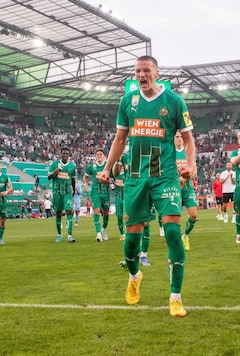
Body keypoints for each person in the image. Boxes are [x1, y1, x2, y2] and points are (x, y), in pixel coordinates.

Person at [97, 55, 195, 318]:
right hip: (135, 179)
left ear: (157, 72)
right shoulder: (127, 102)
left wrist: (190, 163)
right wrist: (107, 168)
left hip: (165, 177)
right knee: (131, 240)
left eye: (146, 70)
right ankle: (134, 276)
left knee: (173, 233)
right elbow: (120, 138)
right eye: (137, 71)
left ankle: (175, 297)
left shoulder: (174, 101)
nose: (142, 75)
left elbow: (188, 138)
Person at [47, 147, 77, 243]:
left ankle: (70, 235)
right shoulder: (54, 164)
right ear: (60, 154)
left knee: (69, 212)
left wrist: (73, 191)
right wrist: (53, 173)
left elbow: (73, 179)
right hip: (57, 192)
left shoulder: (72, 166)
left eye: (66, 154)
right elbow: (48, 177)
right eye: (63, 153)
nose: (64, 155)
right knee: (58, 213)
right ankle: (59, 235)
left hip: (67, 192)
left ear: (69, 155)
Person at [175, 130, 198, 251]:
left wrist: (185, 177)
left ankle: (185, 236)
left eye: (181, 137)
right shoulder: (170, 153)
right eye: (177, 137)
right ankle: (177, 240)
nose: (179, 139)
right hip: (175, 189)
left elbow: (194, 170)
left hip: (188, 188)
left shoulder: (188, 153)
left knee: (193, 215)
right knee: (176, 217)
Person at [83, 148, 111, 242]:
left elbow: (114, 176)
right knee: (96, 212)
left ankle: (104, 229)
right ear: (95, 156)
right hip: (95, 192)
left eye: (101, 154)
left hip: (105, 192)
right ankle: (98, 234)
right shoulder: (91, 167)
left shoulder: (108, 166)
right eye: (97, 154)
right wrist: (85, 184)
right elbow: (85, 177)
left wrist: (110, 182)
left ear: (104, 156)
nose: (99, 156)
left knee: (106, 214)